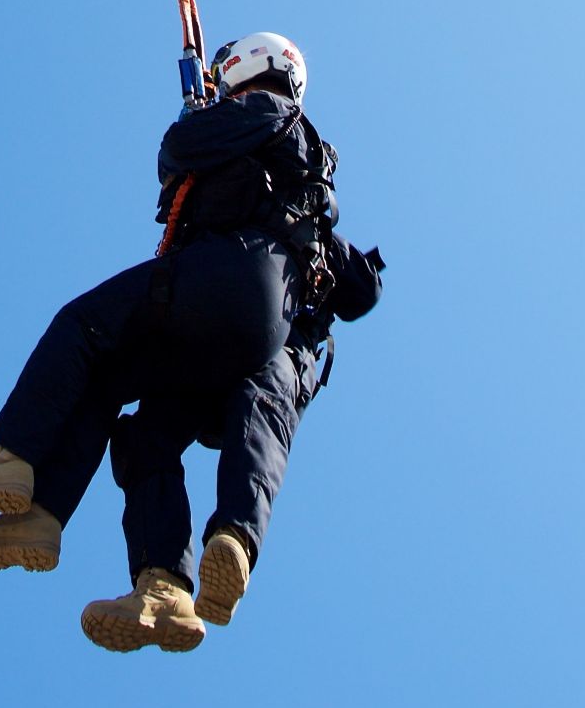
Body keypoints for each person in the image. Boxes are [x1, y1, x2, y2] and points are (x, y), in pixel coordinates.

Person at [0, 32, 370, 648]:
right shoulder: (312, 201)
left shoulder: (269, 111)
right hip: (254, 348)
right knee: (146, 434)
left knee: (86, 326)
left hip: (230, 283)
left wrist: (197, 122)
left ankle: (14, 458)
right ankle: (155, 583)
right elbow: (360, 294)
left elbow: (179, 149)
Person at [81, 223, 383, 651]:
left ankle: (236, 540)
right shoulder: (211, 213)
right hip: (209, 340)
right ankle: (161, 587)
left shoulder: (303, 215)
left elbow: (361, 292)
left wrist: (315, 236)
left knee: (260, 403)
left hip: (280, 342)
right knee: (145, 435)